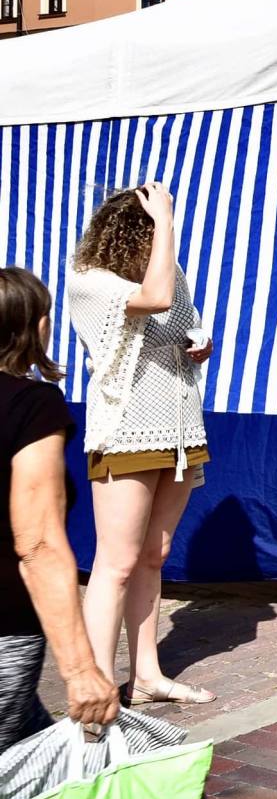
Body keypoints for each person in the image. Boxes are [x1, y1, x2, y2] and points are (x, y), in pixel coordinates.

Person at [66, 183, 216, 706]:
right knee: (117, 562)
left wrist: (199, 344)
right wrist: (167, 225)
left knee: (155, 555)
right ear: (139, 231)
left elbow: (181, 319)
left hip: (179, 425)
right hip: (127, 429)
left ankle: (147, 676)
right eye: (156, 229)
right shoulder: (91, 280)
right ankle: (99, 686)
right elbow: (157, 301)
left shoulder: (164, 268)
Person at [1, 268, 118, 749]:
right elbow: (38, 543)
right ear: (37, 327)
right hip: (5, 628)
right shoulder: (30, 405)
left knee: (42, 755)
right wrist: (81, 669)